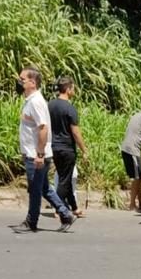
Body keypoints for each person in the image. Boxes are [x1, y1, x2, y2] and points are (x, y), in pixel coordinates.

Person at [14, 66, 76, 232]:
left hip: (37, 155)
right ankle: (66, 214)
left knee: (35, 189)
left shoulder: (36, 102)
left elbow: (43, 128)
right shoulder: (31, 101)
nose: (19, 82)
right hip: (33, 153)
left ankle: (31, 221)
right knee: (44, 188)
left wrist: (39, 155)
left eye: (22, 79)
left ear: (32, 83)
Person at [48, 76, 88, 218]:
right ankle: (58, 209)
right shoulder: (70, 108)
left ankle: (75, 208)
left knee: (67, 177)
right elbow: (75, 132)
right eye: (73, 88)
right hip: (67, 149)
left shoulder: (50, 105)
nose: (74, 90)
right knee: (65, 181)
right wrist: (84, 150)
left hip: (54, 147)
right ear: (68, 89)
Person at [121, 111, 141, 211]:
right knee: (136, 177)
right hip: (133, 150)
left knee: (139, 177)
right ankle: (132, 204)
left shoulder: (139, 115)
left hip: (129, 149)